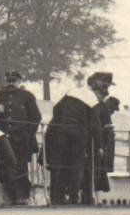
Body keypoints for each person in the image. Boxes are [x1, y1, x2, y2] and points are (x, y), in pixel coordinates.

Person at [45, 71, 114, 204]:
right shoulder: (92, 100)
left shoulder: (72, 92)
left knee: (62, 165)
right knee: (77, 166)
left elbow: (57, 109)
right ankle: (73, 198)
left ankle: (58, 198)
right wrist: (99, 146)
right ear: (98, 92)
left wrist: (62, 123)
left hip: (63, 133)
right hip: (79, 135)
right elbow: (96, 125)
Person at [0, 71, 41, 198]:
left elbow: (36, 117)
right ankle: (11, 195)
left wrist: (27, 134)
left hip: (22, 139)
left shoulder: (27, 96)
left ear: (19, 82)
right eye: (8, 81)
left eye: (13, 81)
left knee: (21, 167)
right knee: (7, 167)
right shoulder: (1, 96)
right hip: (6, 139)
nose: (10, 84)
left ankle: (23, 195)